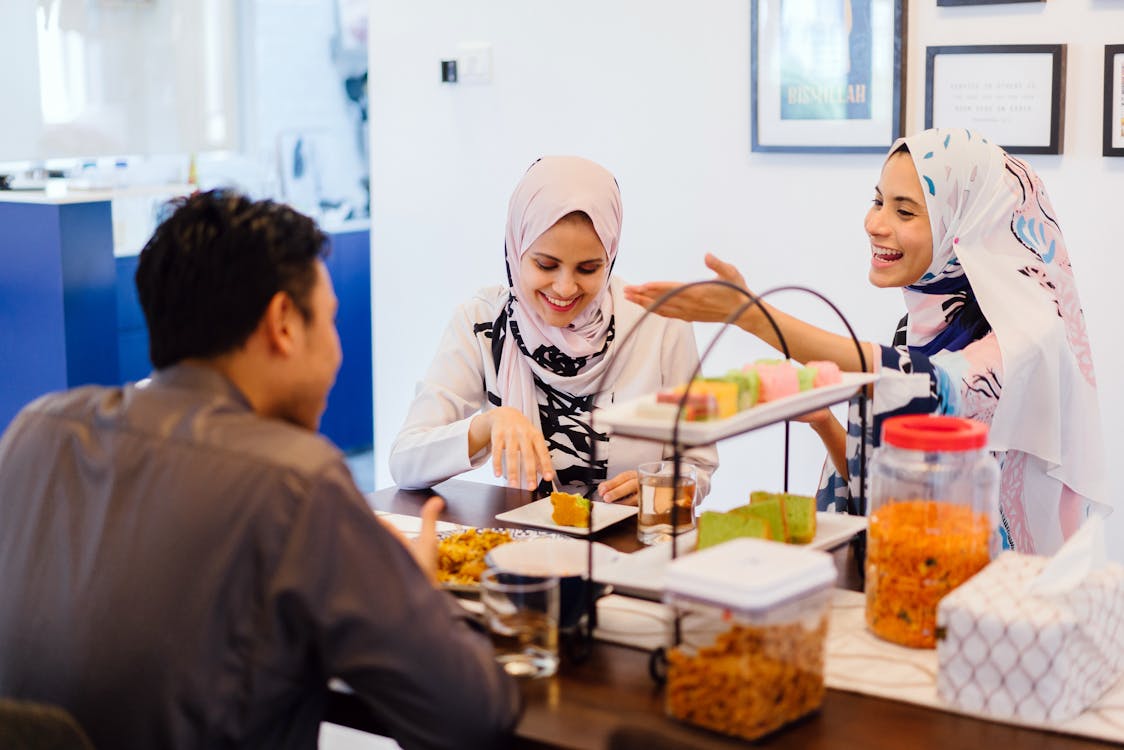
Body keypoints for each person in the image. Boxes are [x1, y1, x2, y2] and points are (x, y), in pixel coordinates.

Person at [0, 190, 520, 750]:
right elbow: (472, 714)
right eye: (330, 320)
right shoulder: (295, 481)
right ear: (284, 324)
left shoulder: (37, 428)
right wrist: (421, 598)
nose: (338, 350)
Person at [624, 128, 1105, 555]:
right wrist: (827, 426)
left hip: (1000, 610)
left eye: (906, 210)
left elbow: (931, 386)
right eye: (878, 201)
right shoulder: (919, 329)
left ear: (965, 228)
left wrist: (750, 316)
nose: (875, 224)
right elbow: (883, 489)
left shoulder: (1031, 340)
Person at [390, 156, 718, 503]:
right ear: (516, 250)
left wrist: (665, 487)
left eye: (588, 269)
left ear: (610, 257)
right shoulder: (483, 325)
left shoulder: (661, 324)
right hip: (524, 551)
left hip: (629, 548)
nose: (564, 288)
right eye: (546, 264)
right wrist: (487, 425)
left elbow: (699, 464)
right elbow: (405, 461)